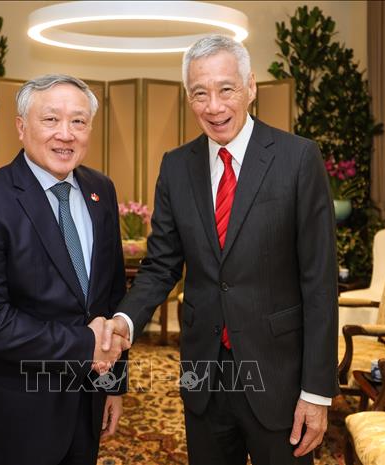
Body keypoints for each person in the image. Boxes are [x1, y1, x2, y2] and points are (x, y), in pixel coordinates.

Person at [102, 35, 339, 464]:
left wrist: (317, 391)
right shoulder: (176, 165)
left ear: (250, 87)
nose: (213, 107)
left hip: (279, 375)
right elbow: (161, 266)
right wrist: (125, 321)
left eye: (226, 89)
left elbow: (319, 282)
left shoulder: (298, 158)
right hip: (204, 376)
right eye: (200, 94)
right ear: (187, 98)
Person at [0, 74, 130, 465]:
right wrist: (84, 344)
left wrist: (113, 385)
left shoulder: (101, 190)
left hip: (87, 403)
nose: (65, 134)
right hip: (19, 415)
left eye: (78, 121)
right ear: (21, 127)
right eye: (50, 119)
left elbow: (112, 297)